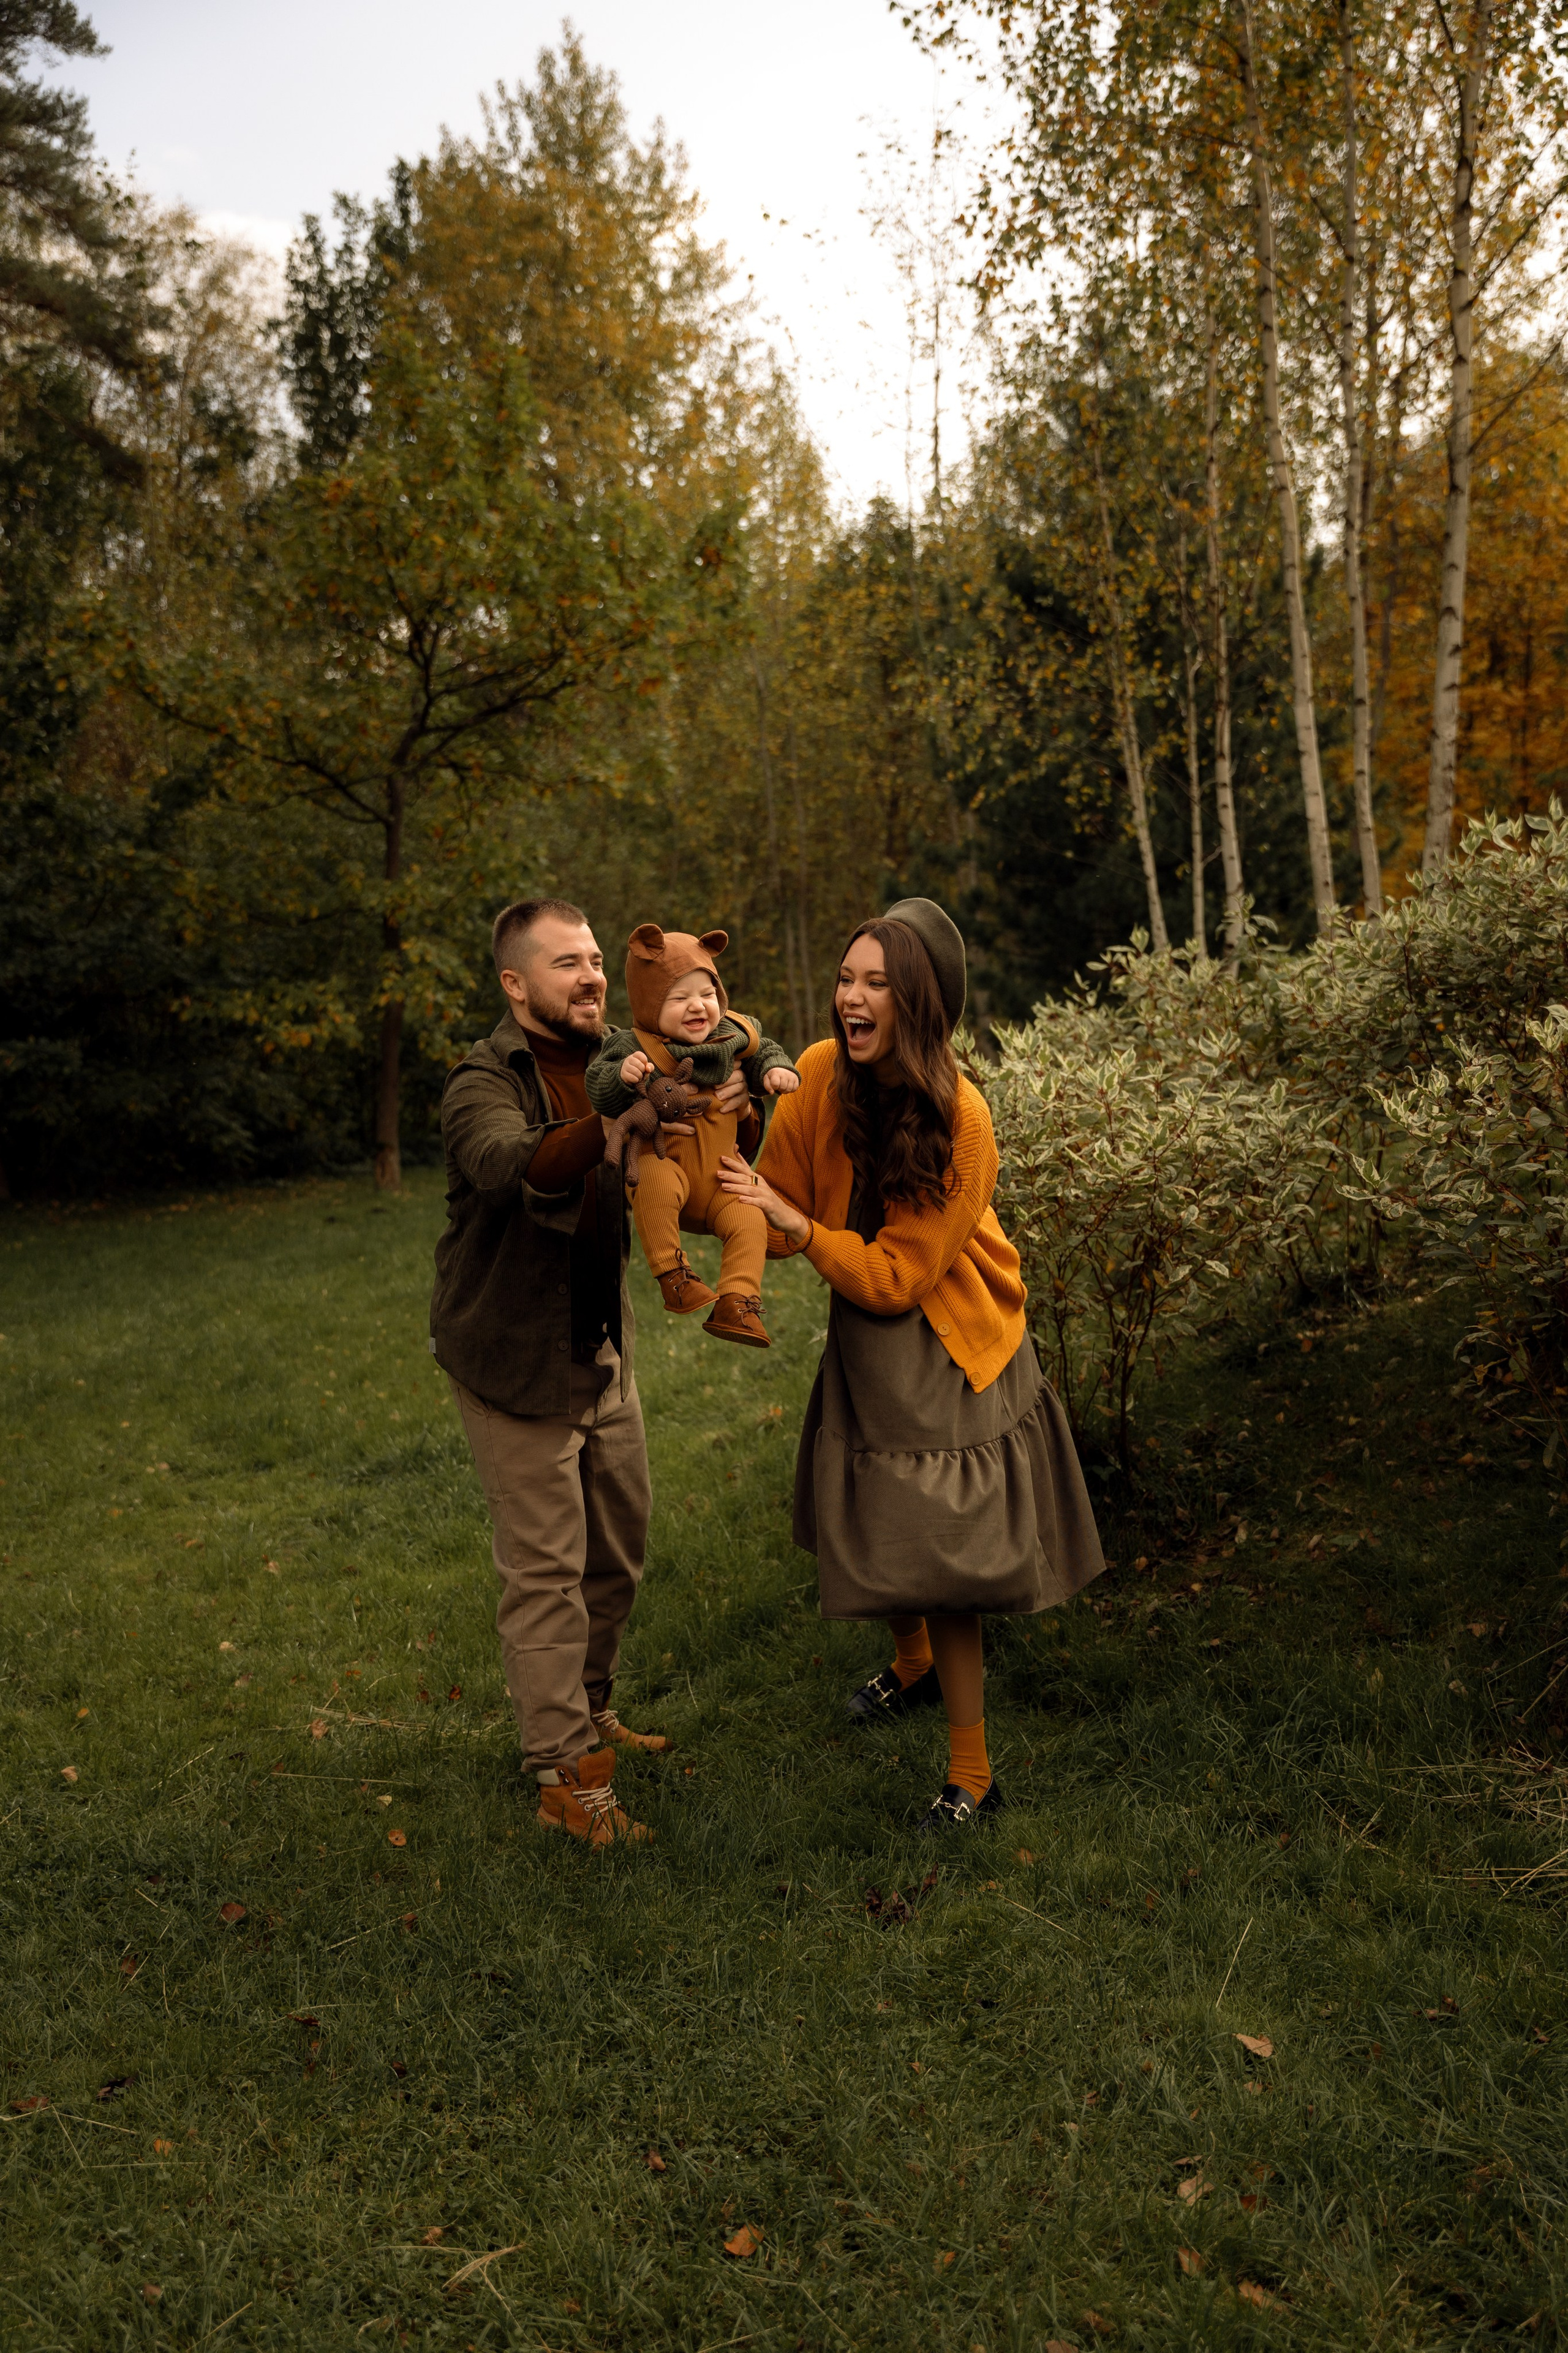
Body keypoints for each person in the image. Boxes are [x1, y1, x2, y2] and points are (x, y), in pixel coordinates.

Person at [717, 897, 1105, 1832]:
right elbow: (779, 1211)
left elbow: (897, 1274)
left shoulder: (962, 1118)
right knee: (875, 1509)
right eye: (847, 978)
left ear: (918, 1002)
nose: (851, 997)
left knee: (945, 1562)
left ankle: (972, 1776)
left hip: (948, 1341)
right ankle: (914, 1666)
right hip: (866, 1326)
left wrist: (798, 1228)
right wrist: (715, 1147)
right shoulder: (815, 1072)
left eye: (876, 983)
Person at [429, 897, 756, 1847]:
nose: (592, 977)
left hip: (598, 1341)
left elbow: (680, 1165)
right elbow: (509, 1164)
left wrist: (735, 1141)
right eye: (566, 964)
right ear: (515, 983)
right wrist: (619, 1115)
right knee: (546, 1576)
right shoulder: (482, 1079)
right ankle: (565, 1774)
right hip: (512, 1355)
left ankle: (589, 1703)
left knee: (617, 1549)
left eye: (594, 961)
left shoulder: (628, 1051)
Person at [586, 923, 798, 1347]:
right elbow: (598, 1083)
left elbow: (765, 1049)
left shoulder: (733, 1034)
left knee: (749, 1215)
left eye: (707, 994)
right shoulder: (636, 1046)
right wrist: (623, 1077)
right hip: (670, 1166)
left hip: (722, 1179)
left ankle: (737, 1302)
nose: (697, 1006)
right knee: (655, 1180)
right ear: (649, 1003)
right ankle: (673, 1274)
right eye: (679, 998)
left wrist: (775, 1071)